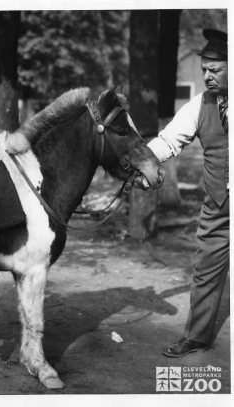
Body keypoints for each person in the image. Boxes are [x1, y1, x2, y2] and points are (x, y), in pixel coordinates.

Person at [146, 29, 228, 357]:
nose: (207, 76)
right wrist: (142, 161)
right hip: (218, 204)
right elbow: (169, 140)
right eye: (204, 70)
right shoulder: (200, 104)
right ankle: (197, 336)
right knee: (206, 268)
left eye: (215, 69)